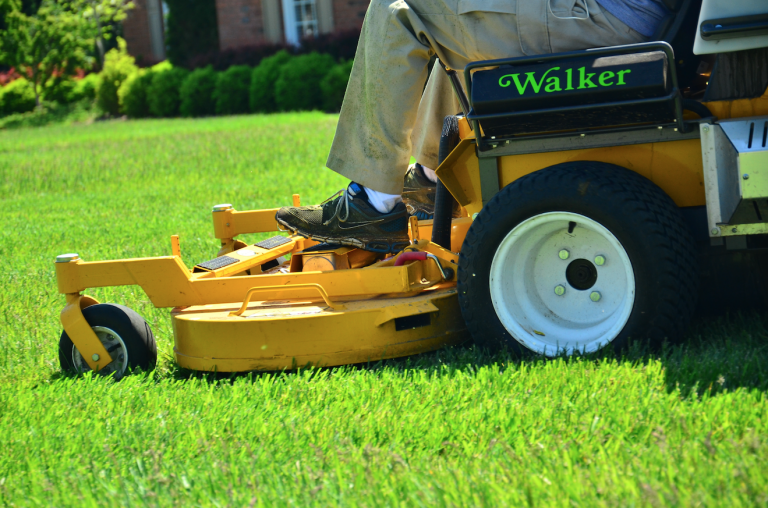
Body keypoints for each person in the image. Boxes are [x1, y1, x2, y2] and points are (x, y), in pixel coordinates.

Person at [276, 0, 669, 252]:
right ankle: (432, 181)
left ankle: (371, 205)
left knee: (400, 6)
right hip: (616, 15)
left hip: (604, 17)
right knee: (453, 26)